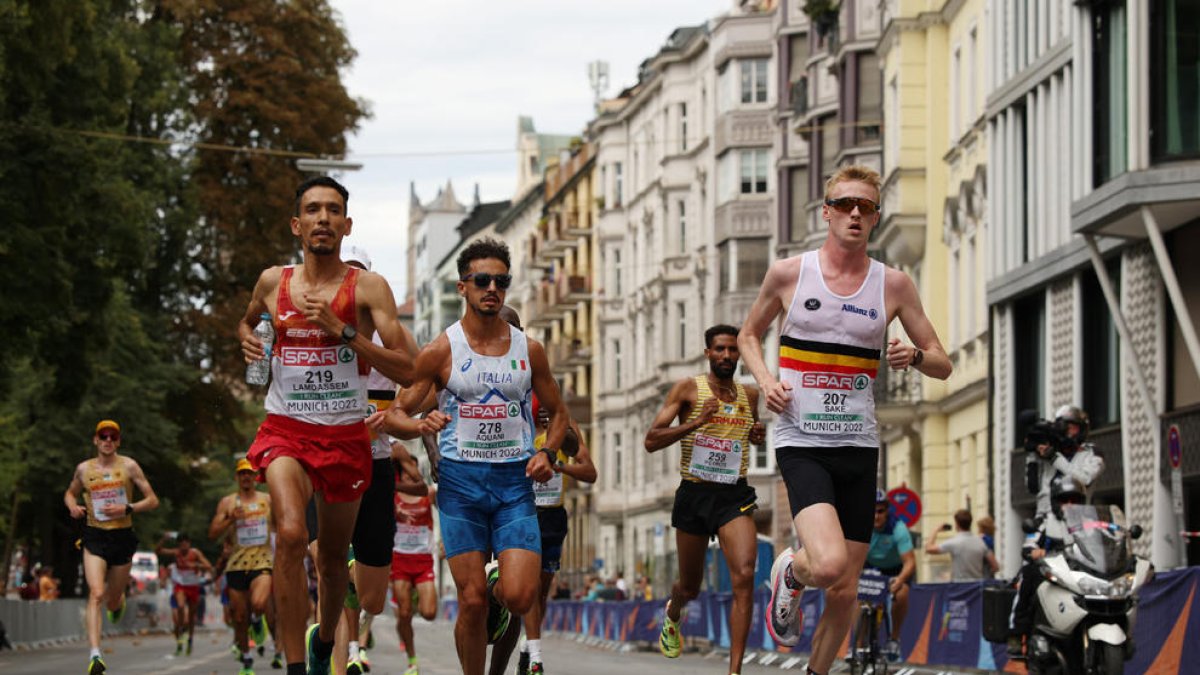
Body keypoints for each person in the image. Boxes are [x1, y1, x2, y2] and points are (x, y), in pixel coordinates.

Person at [738, 164, 952, 675]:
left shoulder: (894, 284)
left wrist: (915, 357)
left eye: (868, 207)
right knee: (829, 565)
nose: (856, 214)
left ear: (876, 217)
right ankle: (791, 569)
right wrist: (767, 381)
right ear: (828, 212)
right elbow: (749, 334)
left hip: (858, 443)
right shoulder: (791, 273)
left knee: (846, 590)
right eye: (847, 205)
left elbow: (942, 361)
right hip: (802, 438)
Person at [237, 176, 417, 675]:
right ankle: (298, 666)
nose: (323, 218)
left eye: (333, 210)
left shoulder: (369, 289)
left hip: (345, 437)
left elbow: (407, 369)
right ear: (297, 225)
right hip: (285, 429)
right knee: (292, 534)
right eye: (313, 210)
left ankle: (322, 642)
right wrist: (248, 341)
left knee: (335, 560)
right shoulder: (274, 281)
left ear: (346, 224)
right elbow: (247, 321)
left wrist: (344, 332)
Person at [372, 237, 567, 675]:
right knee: (471, 599)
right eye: (482, 280)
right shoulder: (442, 349)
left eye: (501, 280)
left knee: (519, 596)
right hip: (461, 485)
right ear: (463, 286)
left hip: (514, 483)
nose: (492, 288)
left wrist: (549, 452)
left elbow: (559, 414)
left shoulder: (528, 349)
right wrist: (421, 426)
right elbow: (397, 414)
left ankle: (499, 587)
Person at [644, 324, 765, 675]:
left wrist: (756, 435)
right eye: (720, 350)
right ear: (707, 353)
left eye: (732, 350)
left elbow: (749, 435)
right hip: (695, 494)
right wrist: (697, 421)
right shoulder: (687, 389)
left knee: (744, 575)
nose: (727, 356)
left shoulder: (750, 395)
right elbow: (651, 440)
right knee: (691, 586)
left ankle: (735, 670)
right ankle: (674, 612)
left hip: (734, 495)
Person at [489, 304, 598, 675]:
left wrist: (556, 453)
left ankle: (526, 647)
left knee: (539, 591)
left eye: (514, 330)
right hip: (512, 508)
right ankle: (532, 653)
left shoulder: (552, 404)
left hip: (552, 513)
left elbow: (587, 468)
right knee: (523, 589)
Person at [65, 419, 160, 675]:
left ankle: (117, 603)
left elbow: (153, 500)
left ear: (118, 441)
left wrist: (127, 508)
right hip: (94, 535)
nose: (108, 441)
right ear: (95, 440)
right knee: (96, 593)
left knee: (112, 599)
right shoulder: (84, 469)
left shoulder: (129, 466)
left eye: (112, 437)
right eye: (103, 436)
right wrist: (72, 506)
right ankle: (95, 656)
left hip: (122, 537)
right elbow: (70, 493)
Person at [1008, 405, 1104, 657]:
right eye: (1063, 426)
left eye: (1071, 427)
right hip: (1046, 518)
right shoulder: (1049, 452)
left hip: (1081, 522)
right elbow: (1032, 486)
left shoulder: (1092, 454)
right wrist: (1033, 453)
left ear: (1082, 430)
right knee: (1028, 573)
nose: (1066, 432)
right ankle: (1018, 632)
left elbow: (1082, 479)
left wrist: (1054, 457)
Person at [209, 457, 280, 673]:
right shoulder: (228, 503)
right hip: (236, 565)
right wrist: (230, 519)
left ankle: (257, 620)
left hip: (262, 561)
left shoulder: (268, 500)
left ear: (256, 477)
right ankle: (247, 659)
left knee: (259, 603)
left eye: (250, 473)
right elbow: (212, 534)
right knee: (239, 618)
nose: (246, 477)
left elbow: (280, 526)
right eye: (242, 474)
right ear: (237, 477)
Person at [390, 454, 437, 675]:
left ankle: (416, 594)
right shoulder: (392, 496)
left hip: (423, 560)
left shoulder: (428, 494)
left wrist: (446, 539)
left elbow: (447, 511)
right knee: (404, 613)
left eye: (413, 473)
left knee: (429, 613)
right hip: (399, 559)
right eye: (406, 473)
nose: (410, 477)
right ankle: (412, 660)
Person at [864, 490, 914, 661]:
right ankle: (857, 647)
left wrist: (899, 580)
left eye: (880, 511)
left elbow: (909, 563)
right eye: (872, 511)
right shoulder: (860, 525)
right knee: (854, 595)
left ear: (887, 511)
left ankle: (894, 638)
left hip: (895, 569)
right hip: (869, 565)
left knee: (902, 593)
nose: (876, 516)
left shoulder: (898, 528)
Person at [157, 533, 215, 656]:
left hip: (193, 586)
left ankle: (190, 640)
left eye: (186, 544)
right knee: (181, 606)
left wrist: (195, 565)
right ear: (179, 544)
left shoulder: (195, 553)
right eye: (181, 544)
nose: (184, 547)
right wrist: (163, 539)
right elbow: (158, 551)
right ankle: (182, 633)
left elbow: (209, 566)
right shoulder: (176, 552)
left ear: (189, 543)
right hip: (180, 585)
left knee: (192, 617)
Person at [924, 510, 997, 581]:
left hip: (960, 587)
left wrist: (935, 530)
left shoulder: (954, 542)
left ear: (957, 524)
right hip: (976, 588)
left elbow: (929, 548)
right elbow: (995, 566)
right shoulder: (981, 542)